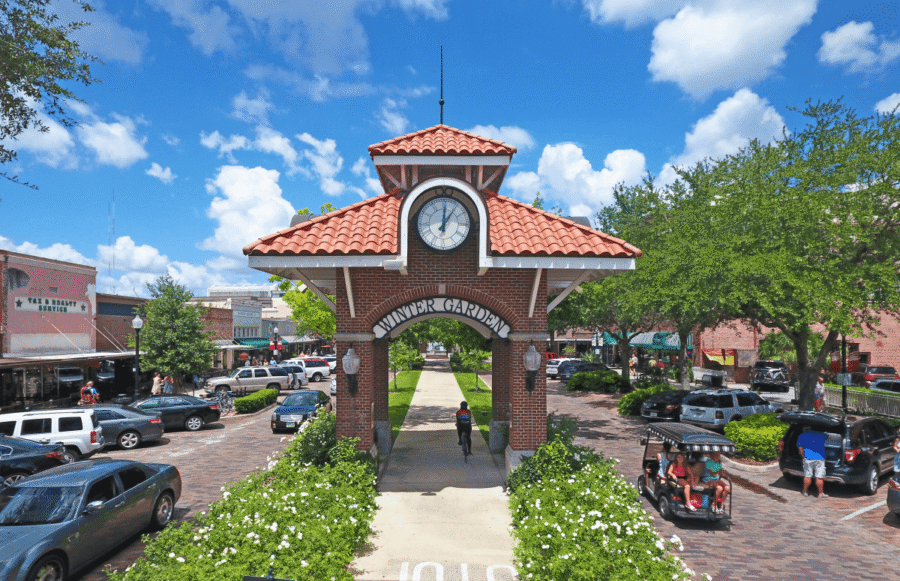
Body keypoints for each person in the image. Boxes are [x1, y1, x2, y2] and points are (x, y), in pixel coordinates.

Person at [798, 426, 829, 498]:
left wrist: (803, 455)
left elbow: (800, 447)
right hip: (820, 458)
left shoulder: (803, 435)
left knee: (807, 475)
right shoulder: (822, 434)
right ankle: (821, 493)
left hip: (808, 458)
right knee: (819, 477)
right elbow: (829, 437)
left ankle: (805, 492)